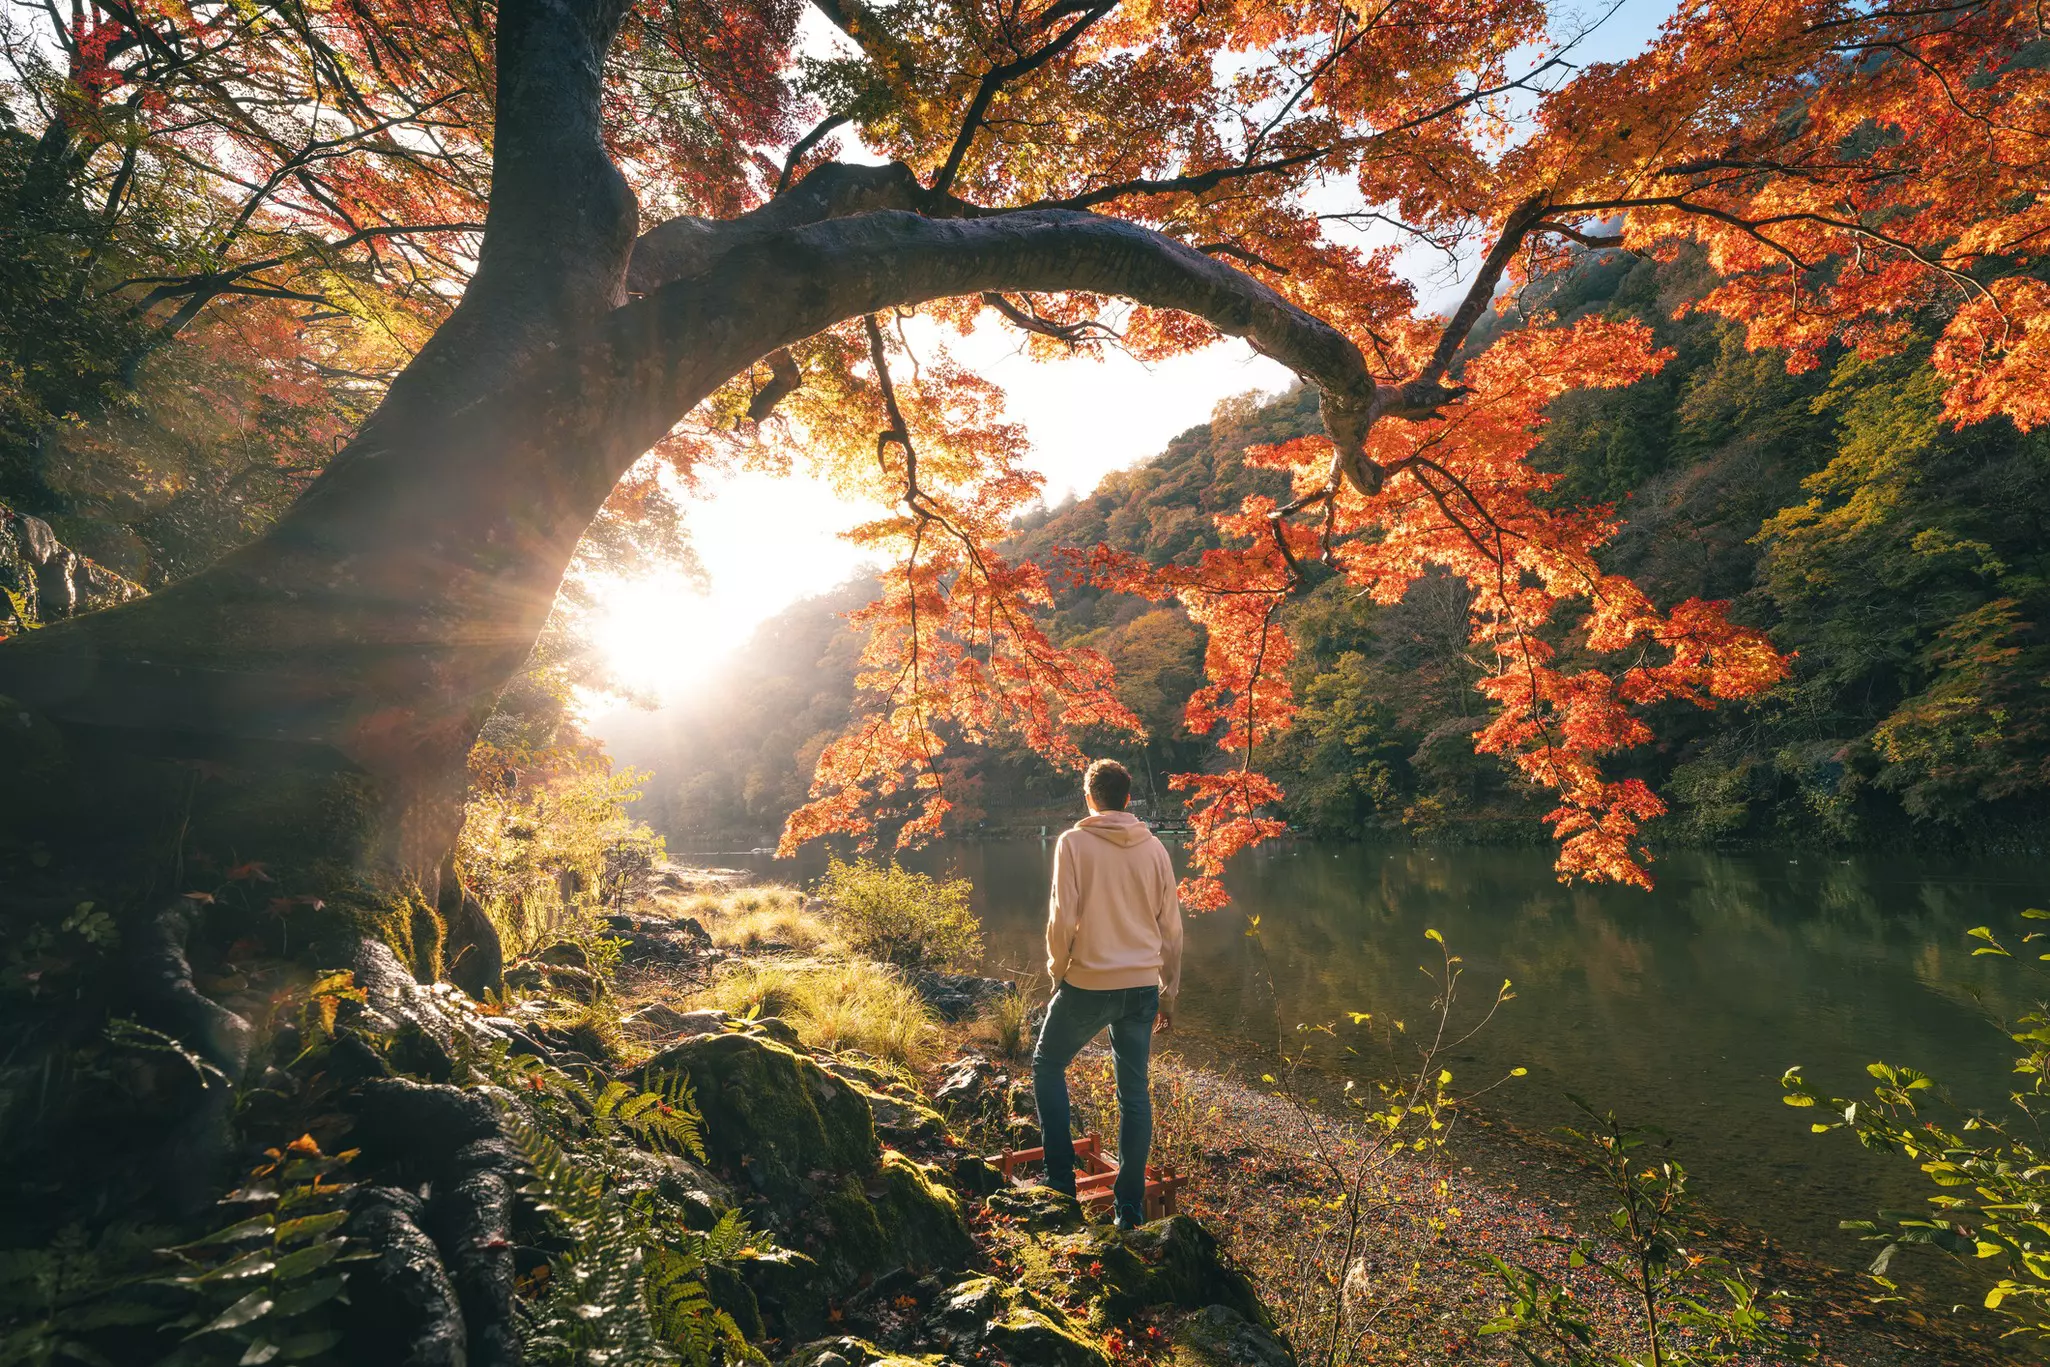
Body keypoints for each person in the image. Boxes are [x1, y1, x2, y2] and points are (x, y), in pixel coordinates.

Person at [1032, 757, 1184, 1229]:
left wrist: (1058, 973)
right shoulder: (1155, 847)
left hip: (1089, 982)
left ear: (1089, 796)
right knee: (1134, 1093)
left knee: (1047, 1064)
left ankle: (1059, 1185)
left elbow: (1062, 919)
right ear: (1127, 797)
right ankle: (1130, 1210)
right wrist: (1168, 992)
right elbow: (1172, 929)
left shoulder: (1073, 843)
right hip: (1141, 987)